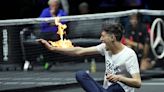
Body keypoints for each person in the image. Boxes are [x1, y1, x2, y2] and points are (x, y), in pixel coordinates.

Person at [37, 21, 141, 92]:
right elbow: (79, 51)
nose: (101, 39)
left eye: (103, 36)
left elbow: (137, 82)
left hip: (120, 90)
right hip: (105, 90)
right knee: (81, 75)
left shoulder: (129, 55)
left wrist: (119, 78)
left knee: (116, 87)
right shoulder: (105, 47)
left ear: (112, 38)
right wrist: (52, 48)